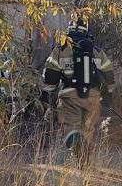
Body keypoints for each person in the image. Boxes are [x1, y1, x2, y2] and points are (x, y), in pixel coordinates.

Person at [40, 18, 116, 153]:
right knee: (88, 130)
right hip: (93, 97)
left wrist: (47, 97)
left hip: (69, 97)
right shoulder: (97, 51)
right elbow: (109, 75)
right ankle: (84, 164)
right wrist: (108, 97)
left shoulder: (60, 50)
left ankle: (77, 150)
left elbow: (50, 77)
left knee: (71, 129)